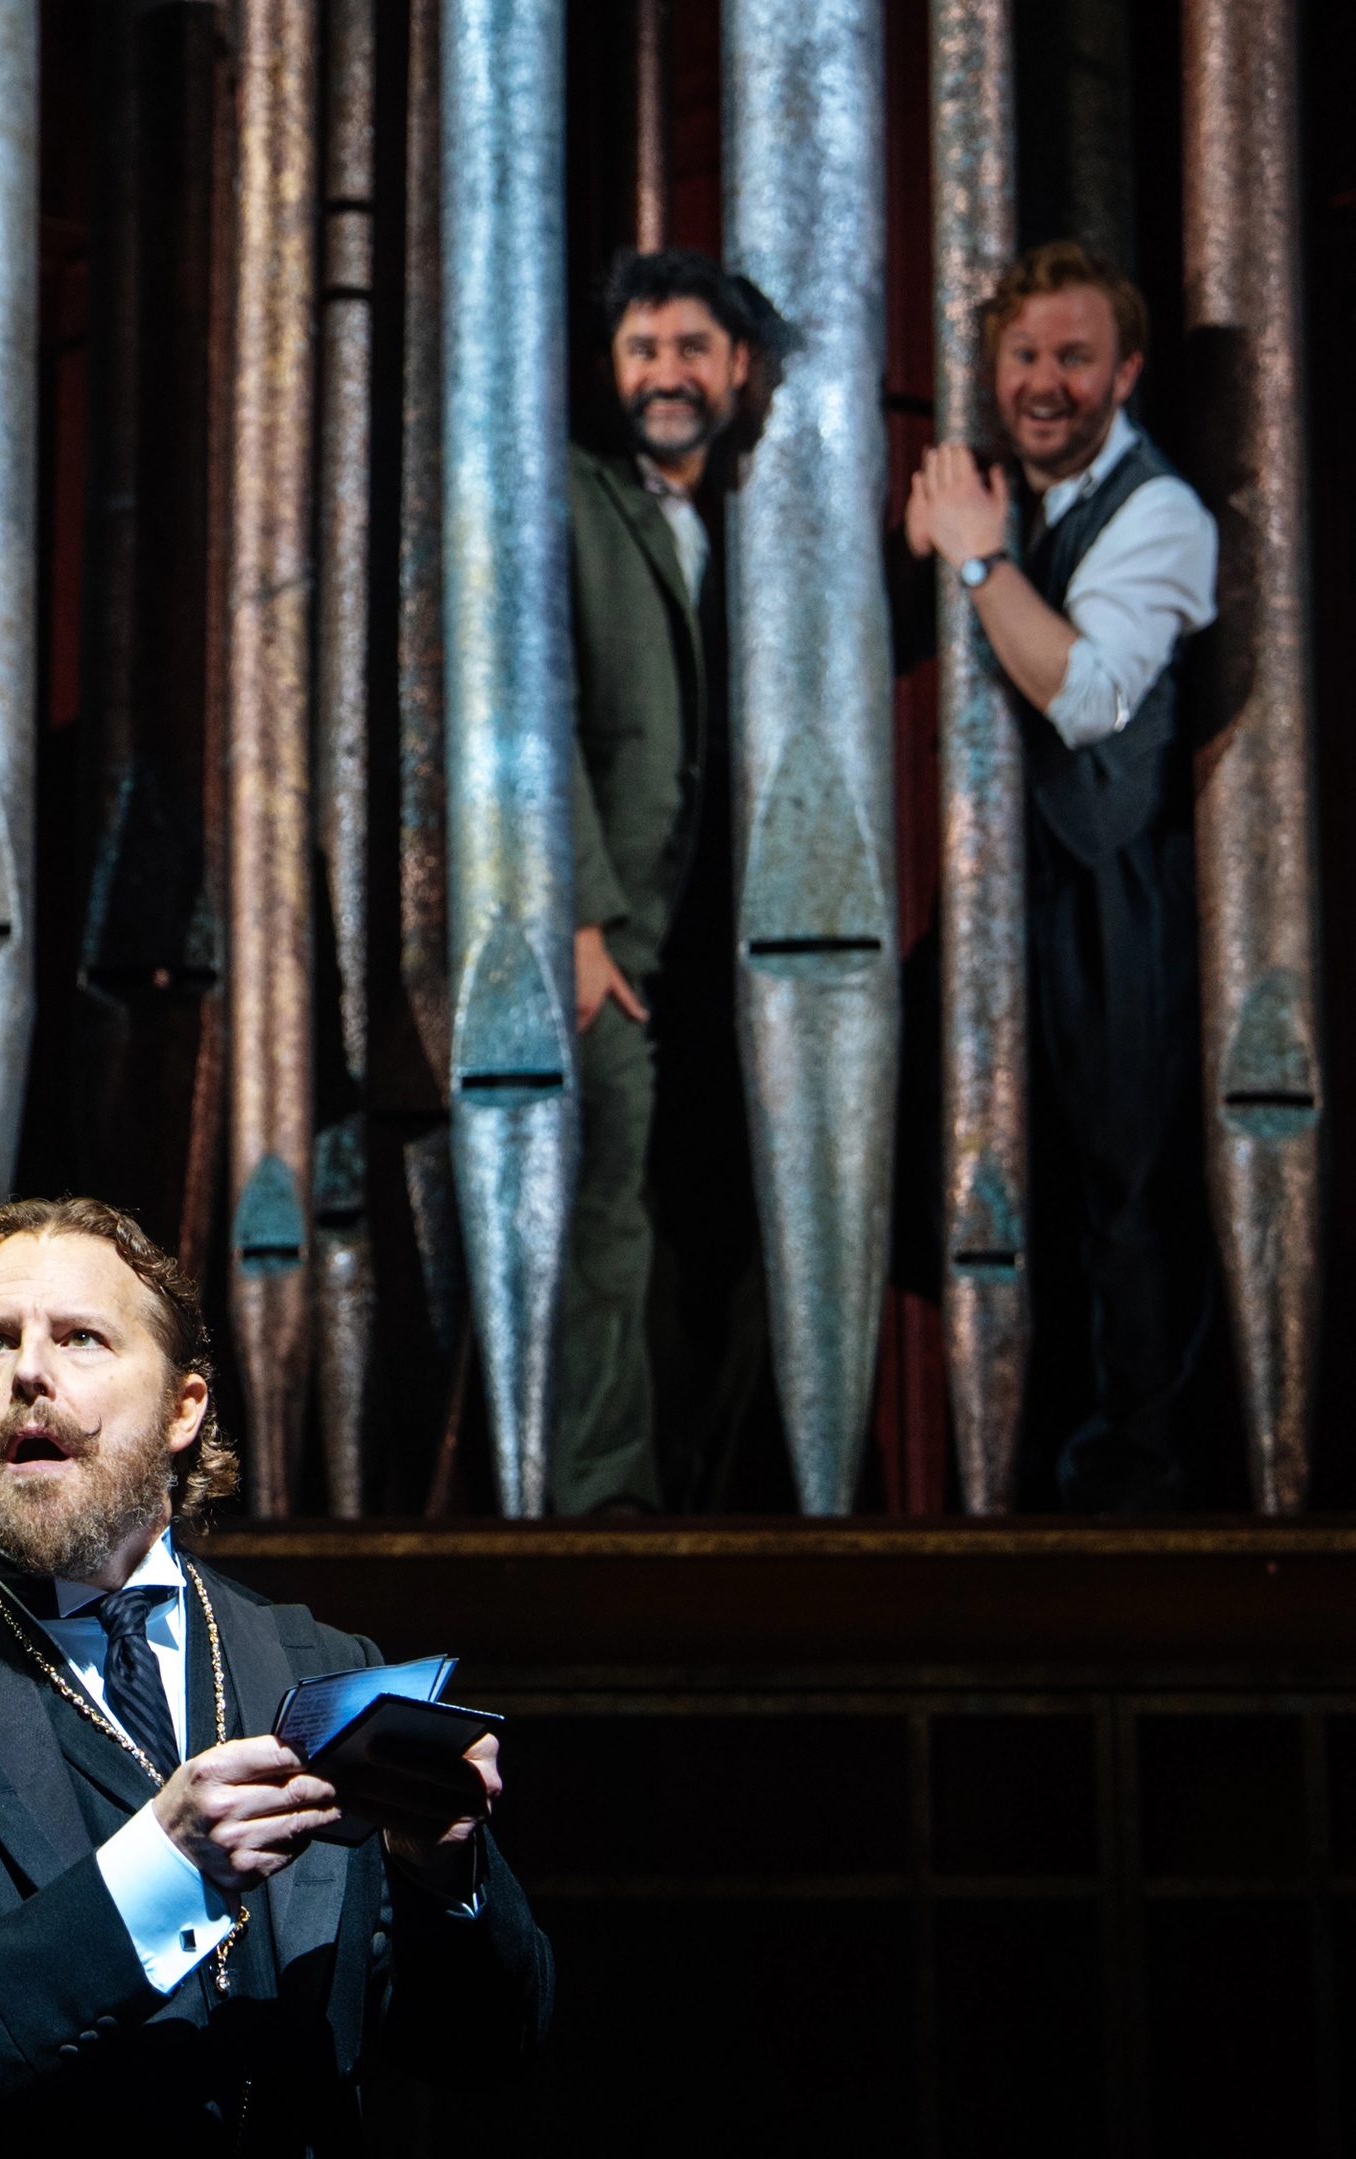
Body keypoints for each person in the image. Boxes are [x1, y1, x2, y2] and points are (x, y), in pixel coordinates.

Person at [0, 1197, 552, 2153]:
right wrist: (155, 1875)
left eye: (80, 1336)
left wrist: (442, 1869)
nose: (28, 1372)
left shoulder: (330, 1667)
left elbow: (487, 2053)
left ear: (183, 1407)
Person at [905, 239, 1221, 1510]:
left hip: (1119, 899)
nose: (1046, 382)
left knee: (1129, 1197)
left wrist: (980, 562)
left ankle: (1134, 1484)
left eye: (1075, 357)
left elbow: (1089, 696)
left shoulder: (1162, 513)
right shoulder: (1015, 493)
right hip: (1014, 899)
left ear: (1127, 369)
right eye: (1025, 356)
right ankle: (1017, 1468)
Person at [556, 250, 766, 1514]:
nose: (668, 373)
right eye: (644, 351)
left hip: (745, 940)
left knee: (739, 1223)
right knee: (610, 1219)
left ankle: (725, 1485)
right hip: (622, 928)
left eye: (692, 348)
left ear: (737, 368)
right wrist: (577, 911)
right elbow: (545, 712)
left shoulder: (762, 512)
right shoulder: (577, 499)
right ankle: (607, 1497)